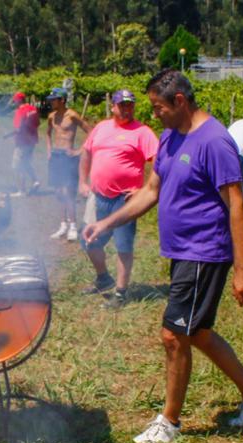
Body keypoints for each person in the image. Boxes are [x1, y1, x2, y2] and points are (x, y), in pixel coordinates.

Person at [83, 70, 243, 443]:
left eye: (158, 107)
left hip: (204, 252)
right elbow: (150, 190)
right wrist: (107, 222)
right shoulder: (172, 136)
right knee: (198, 333)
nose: (153, 114)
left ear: (180, 102)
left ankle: (169, 423)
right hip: (183, 251)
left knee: (174, 335)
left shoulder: (214, 142)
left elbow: (236, 203)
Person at [77, 89, 158, 307]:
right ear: (113, 107)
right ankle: (103, 278)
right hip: (98, 195)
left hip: (124, 200)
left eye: (130, 104)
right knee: (87, 238)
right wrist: (82, 182)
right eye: (122, 105)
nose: (126, 108)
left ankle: (121, 293)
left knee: (123, 245)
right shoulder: (101, 128)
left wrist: (144, 190)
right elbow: (86, 153)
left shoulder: (143, 132)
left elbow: (159, 161)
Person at [45, 87, 93, 241]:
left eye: (54, 99)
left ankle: (73, 225)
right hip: (56, 157)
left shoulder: (72, 115)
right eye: (51, 100)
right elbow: (47, 133)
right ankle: (62, 224)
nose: (51, 102)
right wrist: (49, 149)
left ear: (62, 100)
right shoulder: (51, 116)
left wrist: (79, 150)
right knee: (58, 192)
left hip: (69, 157)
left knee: (68, 192)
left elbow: (90, 131)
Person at [3, 91, 40, 197]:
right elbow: (37, 124)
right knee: (26, 162)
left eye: (15, 100)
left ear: (19, 100)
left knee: (18, 166)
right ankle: (35, 181)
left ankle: (21, 190)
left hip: (22, 142)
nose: (14, 103)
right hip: (32, 141)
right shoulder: (33, 109)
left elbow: (18, 129)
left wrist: (7, 135)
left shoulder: (20, 111)